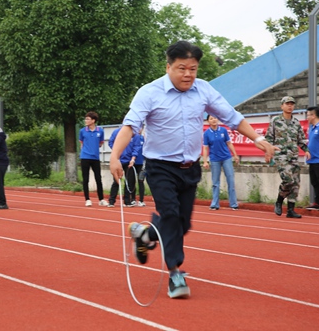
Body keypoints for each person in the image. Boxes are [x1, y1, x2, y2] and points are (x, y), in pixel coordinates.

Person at [110, 41, 276, 299]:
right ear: (168, 67)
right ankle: (175, 274)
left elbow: (232, 116)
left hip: (190, 168)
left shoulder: (204, 90)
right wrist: (114, 157)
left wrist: (258, 139)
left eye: (193, 69)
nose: (188, 74)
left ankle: (145, 233)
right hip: (160, 167)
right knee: (172, 216)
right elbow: (130, 126)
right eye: (181, 68)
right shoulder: (150, 92)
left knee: (182, 223)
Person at [265, 96, 310, 219]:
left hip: (293, 156)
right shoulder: (275, 121)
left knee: (295, 183)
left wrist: (306, 150)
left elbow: (301, 139)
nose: (290, 106)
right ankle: (279, 201)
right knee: (288, 179)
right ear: (282, 106)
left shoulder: (296, 122)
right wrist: (267, 153)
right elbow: (268, 138)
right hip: (281, 155)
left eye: (292, 104)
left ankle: (291, 209)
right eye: (287, 103)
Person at [203, 114, 240, 210]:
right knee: (215, 183)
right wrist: (205, 161)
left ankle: (233, 204)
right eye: (211, 119)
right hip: (214, 159)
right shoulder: (206, 133)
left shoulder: (223, 130)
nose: (214, 120)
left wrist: (235, 155)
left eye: (215, 118)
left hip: (226, 158)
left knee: (231, 181)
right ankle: (215, 204)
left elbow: (229, 143)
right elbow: (206, 148)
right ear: (208, 121)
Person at [79, 111, 107, 207]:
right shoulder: (82, 131)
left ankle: (101, 199)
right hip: (85, 157)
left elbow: (101, 143)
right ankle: (87, 199)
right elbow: (81, 143)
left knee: (98, 178)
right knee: (85, 179)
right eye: (85, 119)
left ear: (93, 120)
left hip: (95, 157)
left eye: (88, 119)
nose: (86, 120)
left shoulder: (100, 131)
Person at [107, 127, 136, 208]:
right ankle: (111, 201)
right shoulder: (116, 132)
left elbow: (136, 147)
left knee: (129, 182)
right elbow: (110, 142)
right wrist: (116, 153)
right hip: (119, 160)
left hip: (129, 161)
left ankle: (127, 201)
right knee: (116, 181)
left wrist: (133, 158)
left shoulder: (134, 133)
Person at [131, 126, 146, 207]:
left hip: (141, 163)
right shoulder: (131, 138)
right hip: (132, 163)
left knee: (141, 181)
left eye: (140, 128)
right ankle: (133, 199)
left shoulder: (144, 139)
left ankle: (141, 200)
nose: (139, 130)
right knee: (132, 181)